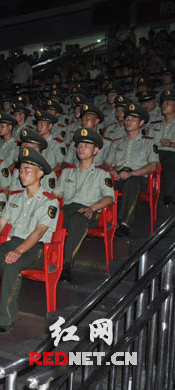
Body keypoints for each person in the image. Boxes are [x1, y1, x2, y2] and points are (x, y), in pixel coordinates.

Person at [0, 147, 59, 333]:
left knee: (11, 264)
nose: (22, 174)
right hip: (12, 243)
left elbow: (39, 232)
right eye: (21, 170)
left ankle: (5, 320)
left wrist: (19, 251)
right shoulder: (15, 198)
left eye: (27, 170)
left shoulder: (49, 201)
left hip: (36, 249)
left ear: (40, 173)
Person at [54, 128, 115, 282]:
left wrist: (92, 208)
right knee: (53, 218)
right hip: (67, 209)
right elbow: (56, 195)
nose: (81, 149)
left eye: (86, 146)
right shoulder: (67, 172)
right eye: (79, 145)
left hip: (88, 211)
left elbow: (109, 198)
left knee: (77, 219)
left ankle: (66, 264)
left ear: (96, 151)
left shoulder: (102, 174)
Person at [107, 103, 159, 237]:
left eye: (133, 119)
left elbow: (153, 165)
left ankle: (124, 223)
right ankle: (101, 220)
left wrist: (132, 173)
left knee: (132, 183)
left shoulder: (149, 142)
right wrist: (111, 171)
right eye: (127, 119)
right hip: (118, 174)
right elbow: (107, 163)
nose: (129, 122)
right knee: (103, 182)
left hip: (139, 176)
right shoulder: (117, 142)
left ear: (141, 122)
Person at [151, 89, 175, 206]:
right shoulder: (155, 124)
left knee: (171, 160)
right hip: (156, 153)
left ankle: (169, 195)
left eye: (168, 103)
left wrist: (171, 144)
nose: (164, 106)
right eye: (163, 103)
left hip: (172, 153)